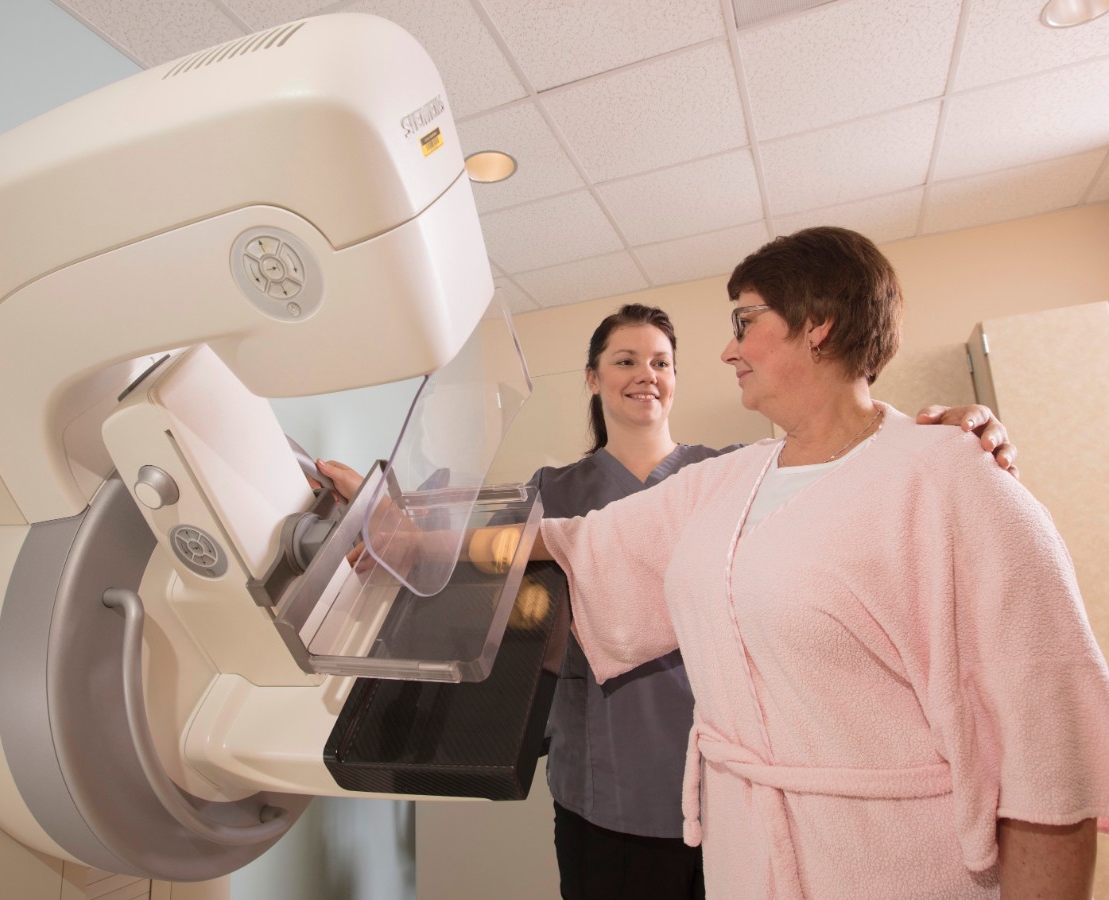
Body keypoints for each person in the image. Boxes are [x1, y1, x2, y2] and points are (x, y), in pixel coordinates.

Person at [316, 293, 1020, 900]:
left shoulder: (733, 474)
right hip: (608, 794)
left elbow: (848, 477)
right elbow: (459, 553)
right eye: (625, 360)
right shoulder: (551, 494)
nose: (645, 375)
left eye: (660, 362)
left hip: (742, 794)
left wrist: (938, 435)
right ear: (592, 377)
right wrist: (385, 523)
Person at [520, 227, 1109, 898]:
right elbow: (574, 541)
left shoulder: (955, 477)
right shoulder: (727, 482)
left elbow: (1048, 745)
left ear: (818, 325)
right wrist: (401, 535)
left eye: (745, 321)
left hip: (893, 865)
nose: (728, 348)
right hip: (744, 854)